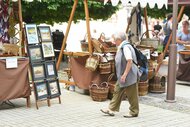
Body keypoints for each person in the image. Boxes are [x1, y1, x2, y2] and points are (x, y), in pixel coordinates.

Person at [100, 32, 139, 118]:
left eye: (115, 40)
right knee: (117, 90)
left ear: (119, 40)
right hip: (123, 75)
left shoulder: (125, 47)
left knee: (132, 94)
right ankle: (111, 109)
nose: (113, 42)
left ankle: (134, 111)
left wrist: (124, 74)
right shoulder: (122, 46)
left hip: (129, 74)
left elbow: (129, 61)